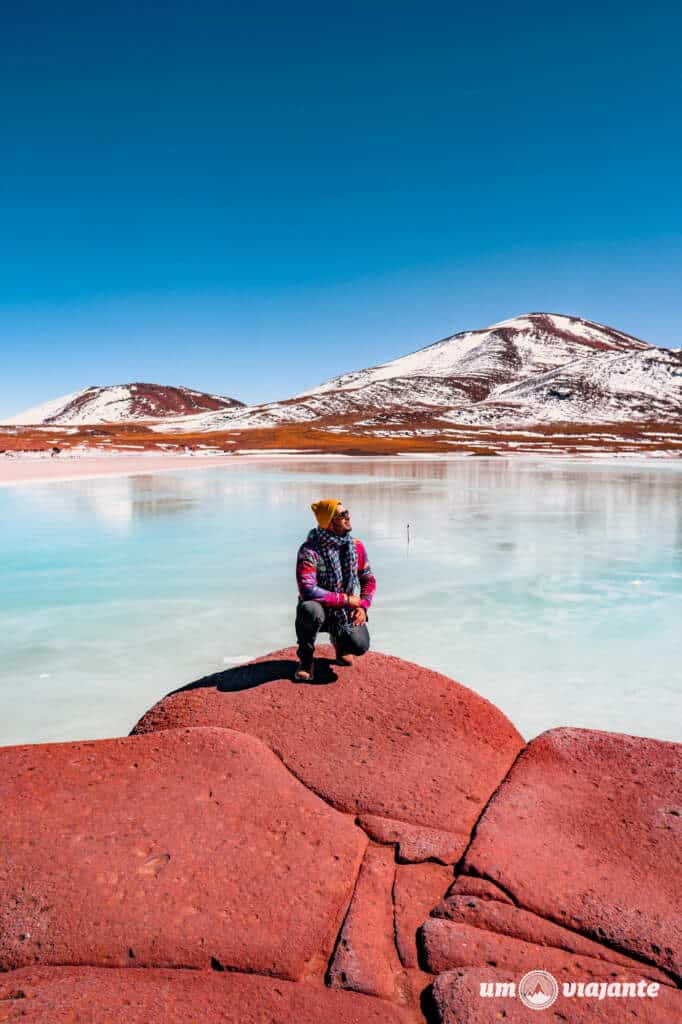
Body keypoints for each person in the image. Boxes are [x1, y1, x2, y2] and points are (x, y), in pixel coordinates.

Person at [294, 499, 376, 681]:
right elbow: (308, 590)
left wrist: (362, 606)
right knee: (308, 609)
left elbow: (368, 580)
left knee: (360, 645)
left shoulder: (356, 547)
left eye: (347, 512)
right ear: (329, 522)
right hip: (321, 609)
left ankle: (341, 645)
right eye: (342, 515)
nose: (348, 517)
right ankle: (306, 659)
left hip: (344, 612)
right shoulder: (309, 550)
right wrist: (345, 600)